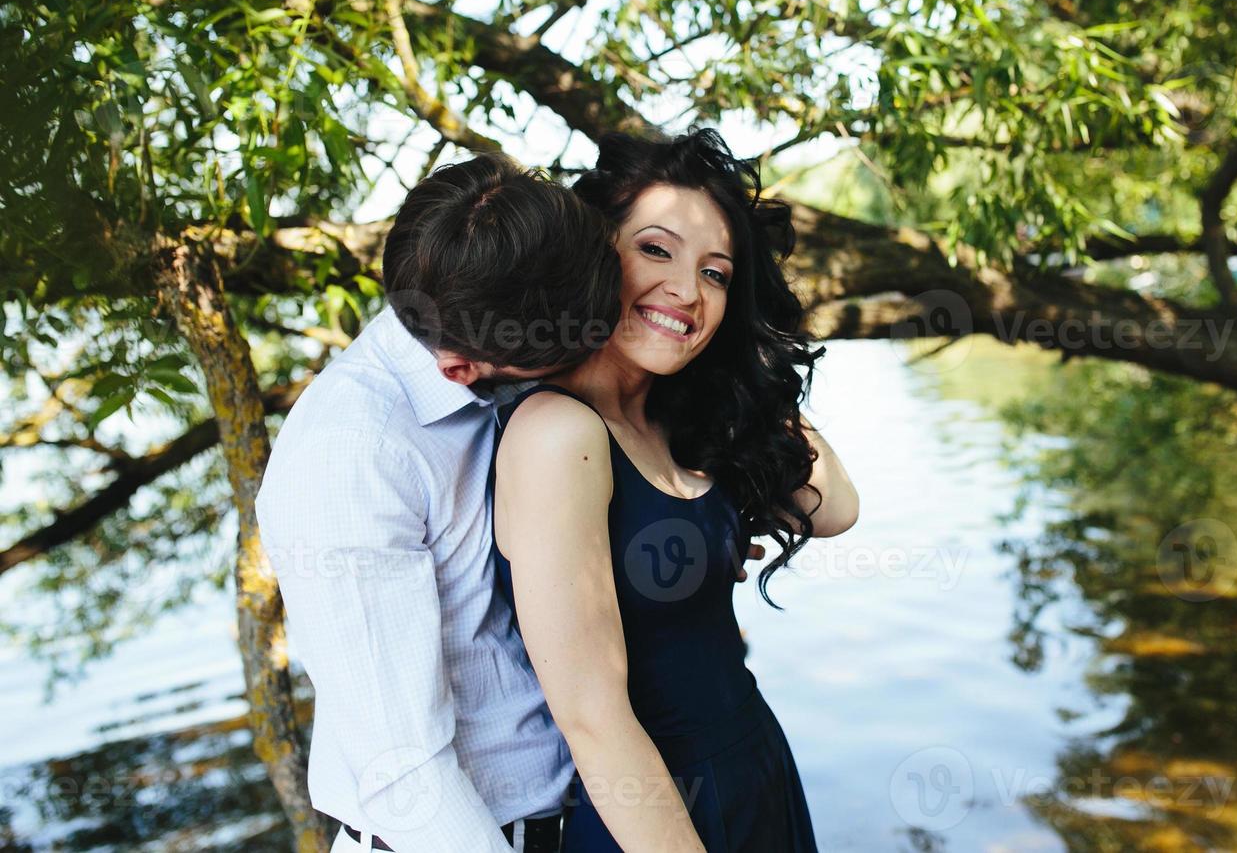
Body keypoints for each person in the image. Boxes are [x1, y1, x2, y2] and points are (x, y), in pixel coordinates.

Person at [257, 153, 707, 852]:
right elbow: (404, 776)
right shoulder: (352, 454)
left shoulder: (492, 299)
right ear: (460, 369)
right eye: (561, 362)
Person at [491, 128, 860, 851]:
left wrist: (749, 363)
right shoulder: (555, 435)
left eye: (716, 274)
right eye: (656, 250)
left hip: (757, 770)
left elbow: (836, 508)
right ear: (596, 253)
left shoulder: (678, 419)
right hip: (652, 812)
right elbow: (596, 721)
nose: (687, 291)